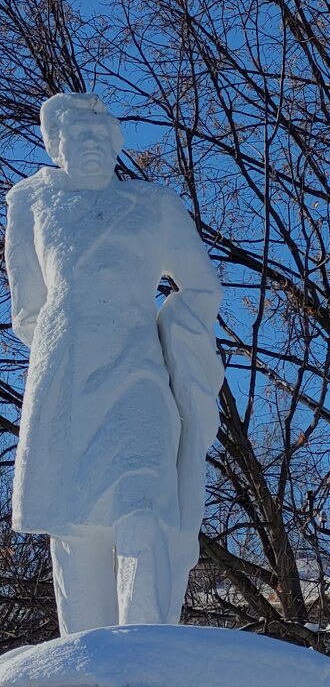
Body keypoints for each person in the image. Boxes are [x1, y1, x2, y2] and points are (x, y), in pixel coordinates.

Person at [5, 93, 223, 634]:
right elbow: (28, 310)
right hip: (67, 383)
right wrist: (72, 336)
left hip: (138, 375)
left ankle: (146, 646)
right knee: (75, 527)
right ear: (56, 145)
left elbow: (200, 285)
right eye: (80, 137)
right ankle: (86, 653)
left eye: (102, 137)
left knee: (142, 505)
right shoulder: (31, 205)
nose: (93, 146)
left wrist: (178, 338)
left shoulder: (152, 205)